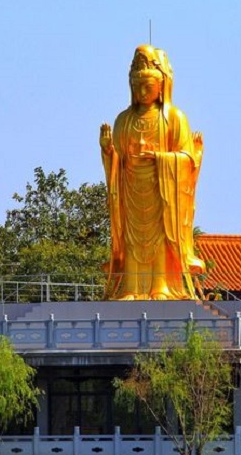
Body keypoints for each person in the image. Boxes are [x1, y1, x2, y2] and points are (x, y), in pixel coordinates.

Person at [99, 45, 204, 300]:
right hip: (131, 187)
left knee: (159, 237)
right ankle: (132, 288)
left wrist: (158, 158)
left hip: (163, 190)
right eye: (137, 86)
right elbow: (118, 158)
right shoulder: (123, 119)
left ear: (162, 86)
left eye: (148, 86)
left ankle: (162, 287)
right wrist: (108, 151)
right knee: (132, 240)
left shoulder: (174, 117)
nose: (142, 92)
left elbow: (187, 158)